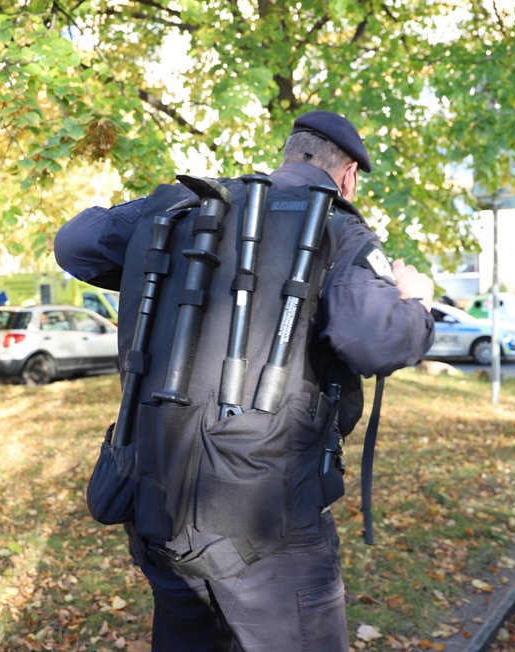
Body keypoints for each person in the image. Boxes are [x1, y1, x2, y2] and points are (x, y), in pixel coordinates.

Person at [54, 110, 436, 650]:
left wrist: (153, 243)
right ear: (348, 173)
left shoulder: (190, 208)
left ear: (289, 154)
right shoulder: (337, 228)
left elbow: (77, 242)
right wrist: (415, 300)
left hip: (155, 505)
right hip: (268, 532)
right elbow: (375, 339)